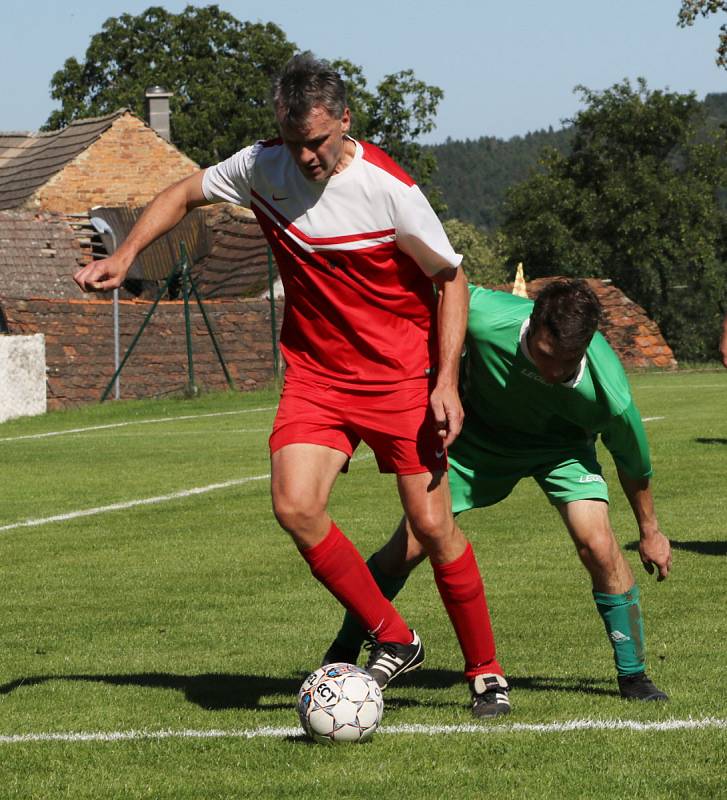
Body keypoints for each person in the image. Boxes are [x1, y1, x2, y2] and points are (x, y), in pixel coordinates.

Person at [73, 53, 508, 718]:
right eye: (293, 140)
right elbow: (182, 193)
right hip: (316, 376)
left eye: (318, 142)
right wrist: (126, 254)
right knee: (295, 506)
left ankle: (485, 672)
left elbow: (448, 279)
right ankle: (394, 635)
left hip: (398, 379)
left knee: (430, 523)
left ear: (345, 122)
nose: (305, 157)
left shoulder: (390, 189)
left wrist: (444, 383)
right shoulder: (260, 165)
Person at [324, 279, 672, 703]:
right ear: (533, 324)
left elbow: (634, 464)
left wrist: (650, 530)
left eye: (568, 363)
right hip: (476, 446)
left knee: (597, 543)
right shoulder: (485, 316)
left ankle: (633, 676)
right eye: (546, 356)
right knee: (411, 546)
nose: (554, 372)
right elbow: (428, 303)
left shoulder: (609, 392)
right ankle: (343, 650)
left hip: (561, 451)